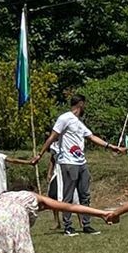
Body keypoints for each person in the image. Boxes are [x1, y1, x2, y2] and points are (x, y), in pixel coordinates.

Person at [35, 94, 119, 235]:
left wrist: (110, 146)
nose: (85, 107)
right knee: (67, 196)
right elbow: (52, 136)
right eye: (84, 105)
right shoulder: (64, 118)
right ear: (80, 104)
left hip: (81, 163)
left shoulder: (79, 123)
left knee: (84, 195)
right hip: (68, 162)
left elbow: (92, 137)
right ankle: (68, 226)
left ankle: (86, 225)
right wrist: (40, 154)